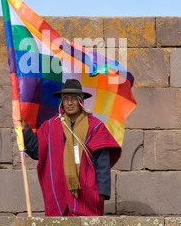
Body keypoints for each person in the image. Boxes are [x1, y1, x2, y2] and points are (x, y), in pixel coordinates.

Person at [20, 79, 121, 216]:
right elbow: (38, 151)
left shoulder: (95, 127)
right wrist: (26, 132)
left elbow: (102, 161)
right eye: (66, 99)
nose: (69, 103)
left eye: (73, 99)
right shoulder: (50, 126)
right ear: (61, 102)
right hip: (58, 187)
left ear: (81, 101)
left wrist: (102, 191)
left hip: (86, 191)